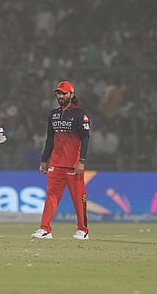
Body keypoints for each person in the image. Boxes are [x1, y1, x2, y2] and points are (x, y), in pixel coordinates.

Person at [31, 80, 91, 240]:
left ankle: (83, 230)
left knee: (79, 198)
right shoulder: (53, 114)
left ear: (71, 94)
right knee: (51, 196)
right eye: (58, 93)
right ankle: (45, 229)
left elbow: (85, 139)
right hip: (56, 164)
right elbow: (50, 139)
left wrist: (82, 161)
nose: (60, 96)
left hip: (73, 165)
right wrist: (44, 160)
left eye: (63, 93)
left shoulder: (80, 114)